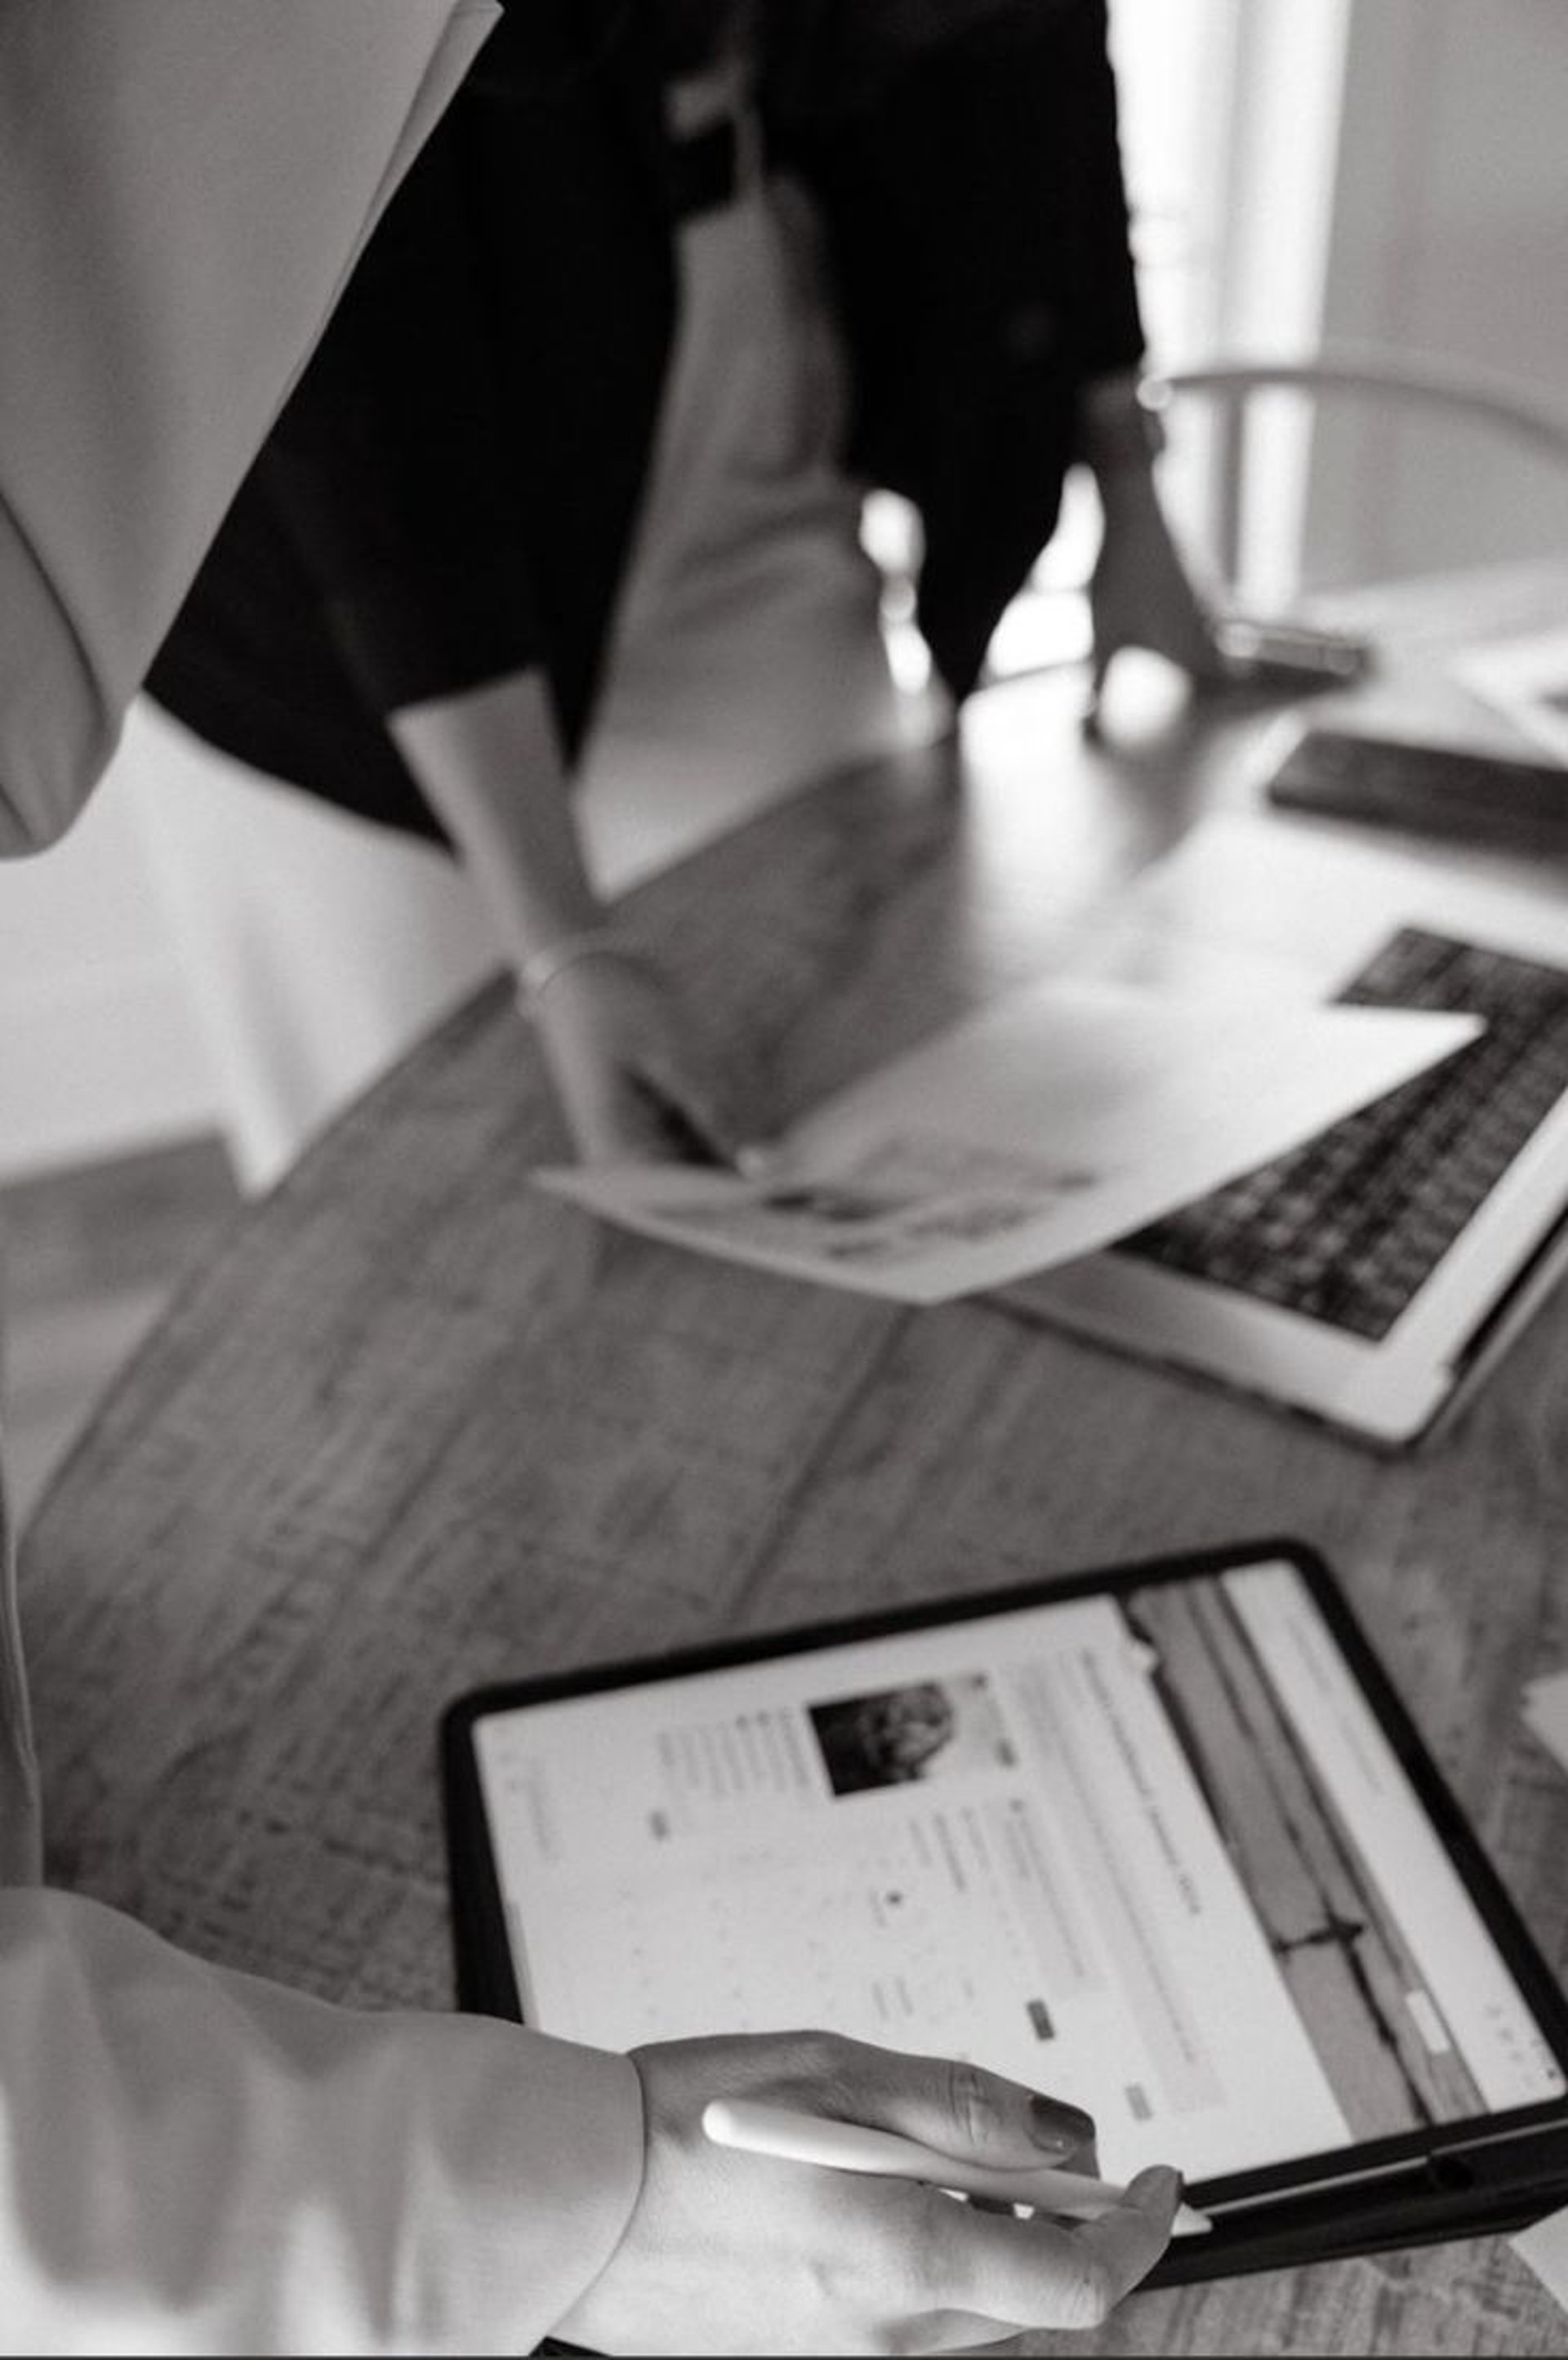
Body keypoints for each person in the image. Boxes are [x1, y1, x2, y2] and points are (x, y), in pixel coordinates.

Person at [0, 7, 1185, 2349]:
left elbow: (1036, 106)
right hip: (364, 596)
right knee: (406, 1268)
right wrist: (598, 2196)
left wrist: (1118, 486)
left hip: (704, 439)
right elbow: (371, 409)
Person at [139, 0, 1223, 1177]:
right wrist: (563, 947)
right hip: (330, 619)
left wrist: (1129, 490)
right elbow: (378, 428)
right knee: (403, 1163)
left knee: (839, 1074)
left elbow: (1044, 73)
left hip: (742, 440)